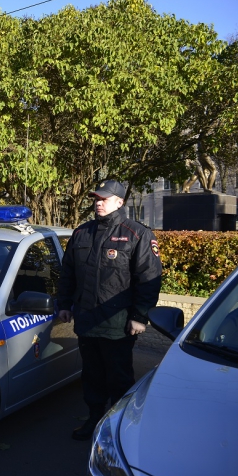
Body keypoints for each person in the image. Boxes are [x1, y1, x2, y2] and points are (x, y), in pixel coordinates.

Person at [57, 179, 162, 441]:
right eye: (96, 198)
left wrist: (140, 316)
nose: (98, 203)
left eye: (104, 198)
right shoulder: (82, 233)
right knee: (91, 376)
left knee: (119, 377)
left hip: (118, 323)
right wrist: (63, 304)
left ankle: (119, 429)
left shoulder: (137, 234)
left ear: (120, 202)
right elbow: (68, 274)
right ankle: (94, 420)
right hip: (86, 320)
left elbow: (149, 279)